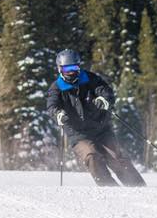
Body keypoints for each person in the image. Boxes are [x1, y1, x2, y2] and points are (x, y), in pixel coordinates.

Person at [46, 49, 146, 187]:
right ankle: (109, 187)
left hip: (101, 129)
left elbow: (106, 91)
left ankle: (138, 187)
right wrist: (58, 114)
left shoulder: (90, 79)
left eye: (74, 67)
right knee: (91, 155)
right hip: (79, 134)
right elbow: (52, 106)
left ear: (79, 66)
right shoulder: (56, 88)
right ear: (60, 69)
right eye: (66, 68)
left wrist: (104, 101)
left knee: (117, 158)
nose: (70, 72)